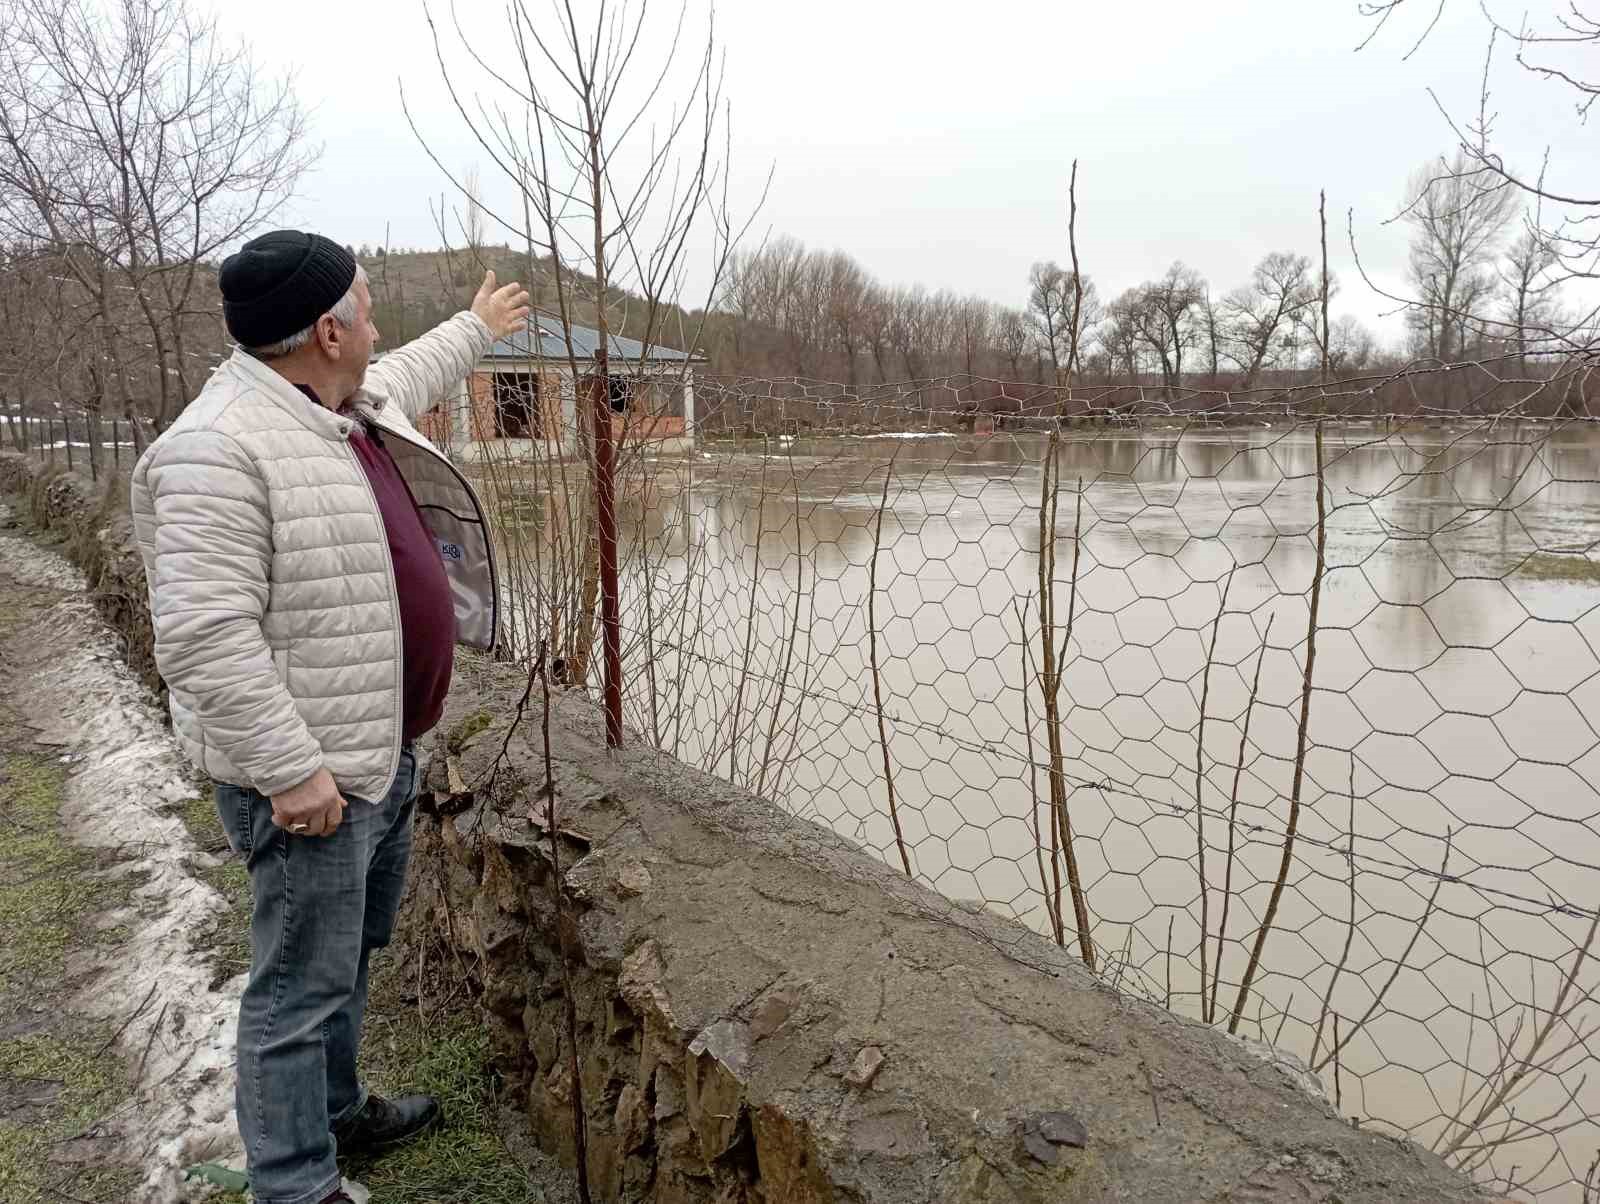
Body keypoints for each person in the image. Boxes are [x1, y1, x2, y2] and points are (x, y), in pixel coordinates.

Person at [131, 230, 529, 1204]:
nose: (375, 321)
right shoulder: (215, 448)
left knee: (347, 957)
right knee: (296, 989)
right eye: (365, 303)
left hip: (378, 754)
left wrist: (477, 326)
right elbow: (202, 639)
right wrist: (291, 772)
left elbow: (412, 362)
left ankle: (339, 1112)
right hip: (314, 781)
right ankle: (295, 1182)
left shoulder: (339, 400)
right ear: (326, 327)